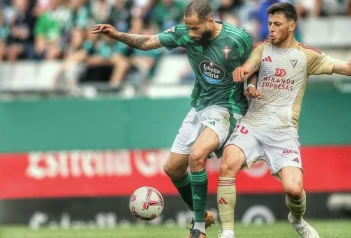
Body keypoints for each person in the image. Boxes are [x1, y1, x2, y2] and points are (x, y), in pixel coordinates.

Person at [91, 1, 253, 237]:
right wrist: (117, 35)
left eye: (195, 28)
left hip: (228, 108)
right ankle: (203, 214)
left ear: (210, 22)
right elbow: (148, 42)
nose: (191, 34)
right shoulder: (184, 34)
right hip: (200, 106)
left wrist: (253, 88)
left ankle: (198, 229)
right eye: (188, 27)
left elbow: (256, 63)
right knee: (173, 169)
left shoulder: (237, 38)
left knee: (197, 157)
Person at [215, 2, 351, 238]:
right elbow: (250, 66)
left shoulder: (307, 56)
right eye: (269, 23)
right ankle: (227, 232)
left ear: (292, 26)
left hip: (283, 132)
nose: (271, 28)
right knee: (227, 164)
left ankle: (297, 220)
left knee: (294, 189)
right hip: (253, 125)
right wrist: (246, 76)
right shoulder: (262, 48)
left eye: (277, 24)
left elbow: (350, 69)